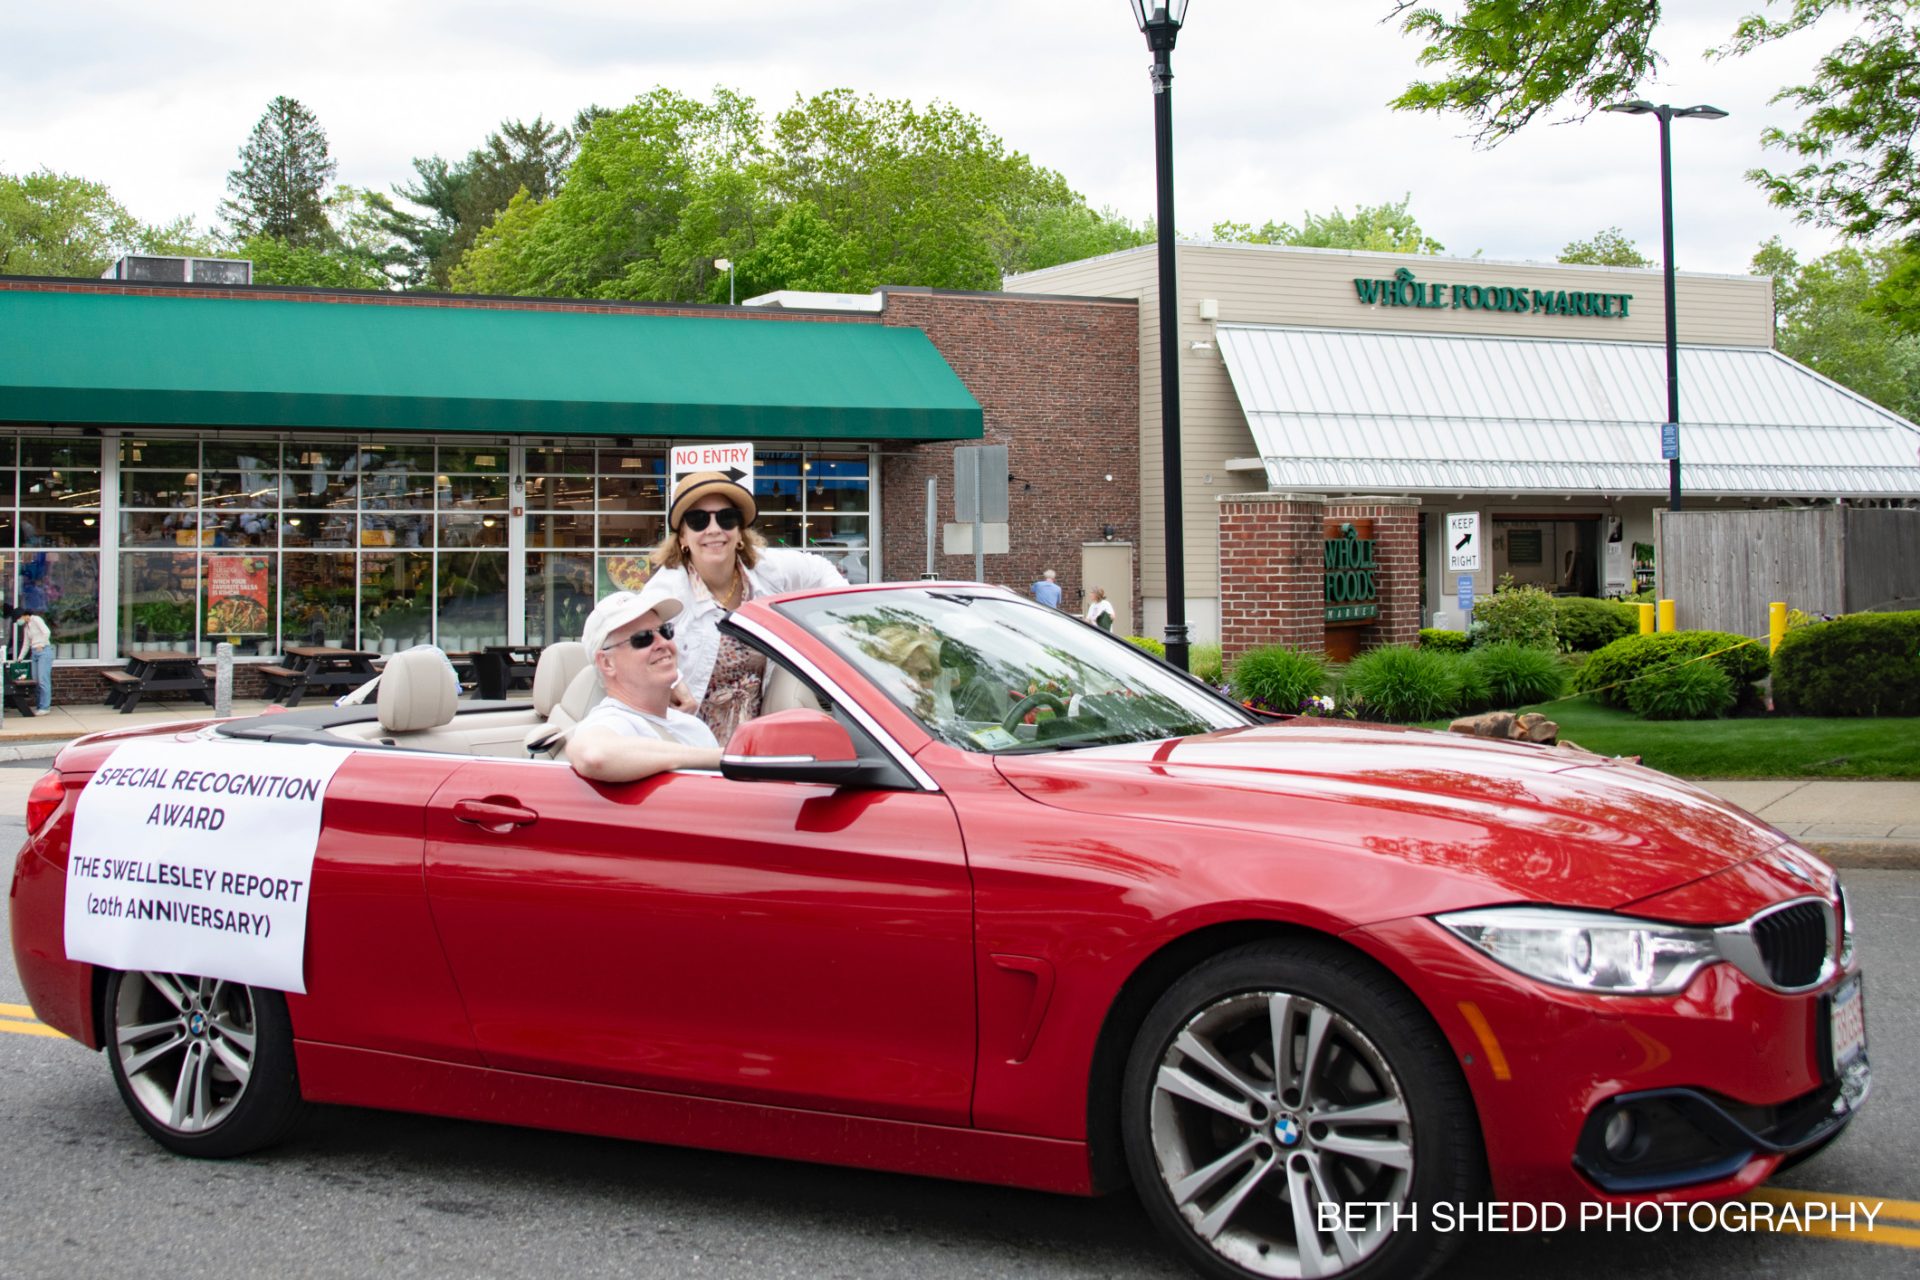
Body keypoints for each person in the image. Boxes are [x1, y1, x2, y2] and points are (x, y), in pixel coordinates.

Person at [645, 471, 846, 744]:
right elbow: (606, 638)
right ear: (682, 536)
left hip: (761, 741)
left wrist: (836, 628)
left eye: (726, 518)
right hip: (695, 748)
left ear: (739, 532)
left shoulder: (768, 571)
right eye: (698, 520)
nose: (714, 529)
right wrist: (671, 681)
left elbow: (822, 572)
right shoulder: (669, 591)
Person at [567, 588, 723, 783]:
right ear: (607, 663)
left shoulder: (695, 727)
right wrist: (719, 757)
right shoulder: (612, 721)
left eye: (665, 631)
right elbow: (594, 755)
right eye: (642, 638)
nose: (662, 643)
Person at [14, 602, 51, 715]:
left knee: (43, 680)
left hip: (43, 651)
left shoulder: (36, 619)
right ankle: (40, 706)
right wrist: (20, 657)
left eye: (18, 619)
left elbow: (47, 632)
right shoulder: (27, 626)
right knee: (36, 681)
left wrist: (42, 644)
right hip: (34, 653)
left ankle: (45, 707)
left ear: (24, 615)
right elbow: (26, 643)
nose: (18, 621)